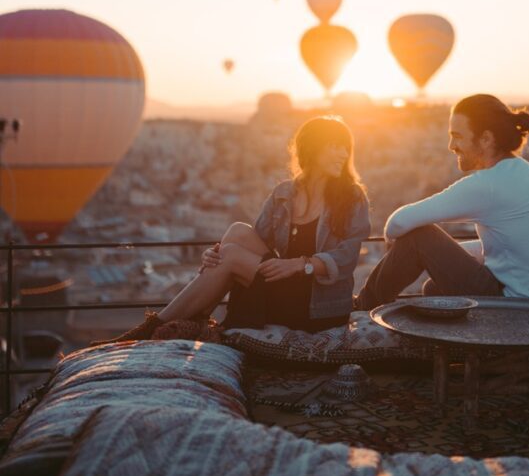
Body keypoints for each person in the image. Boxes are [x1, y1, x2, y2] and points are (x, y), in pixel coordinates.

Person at [93, 115, 371, 344]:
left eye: (346, 147)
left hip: (317, 304)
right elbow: (253, 241)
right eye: (335, 146)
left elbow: (347, 257)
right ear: (312, 148)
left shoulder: (351, 197)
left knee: (233, 255)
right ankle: (191, 318)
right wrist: (214, 257)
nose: (343, 154)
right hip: (282, 286)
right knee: (236, 232)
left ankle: (152, 329)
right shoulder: (284, 193)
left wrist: (302, 265)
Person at [356, 94, 529, 309]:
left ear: (486, 139)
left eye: (457, 136)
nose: (451, 145)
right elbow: (513, 246)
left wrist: (396, 242)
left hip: (515, 309)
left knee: (418, 236)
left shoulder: (488, 184)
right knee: (434, 289)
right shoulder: (527, 175)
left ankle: (362, 308)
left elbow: (399, 222)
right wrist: (446, 252)